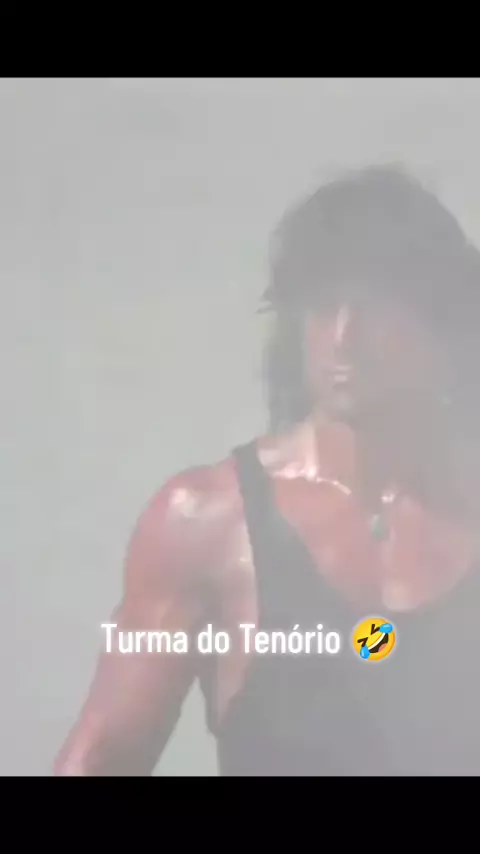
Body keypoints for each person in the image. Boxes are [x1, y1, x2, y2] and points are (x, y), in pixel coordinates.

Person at [54, 165, 480, 776]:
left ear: (441, 322)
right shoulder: (202, 523)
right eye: (322, 305)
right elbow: (102, 756)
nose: (344, 336)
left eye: (374, 306)